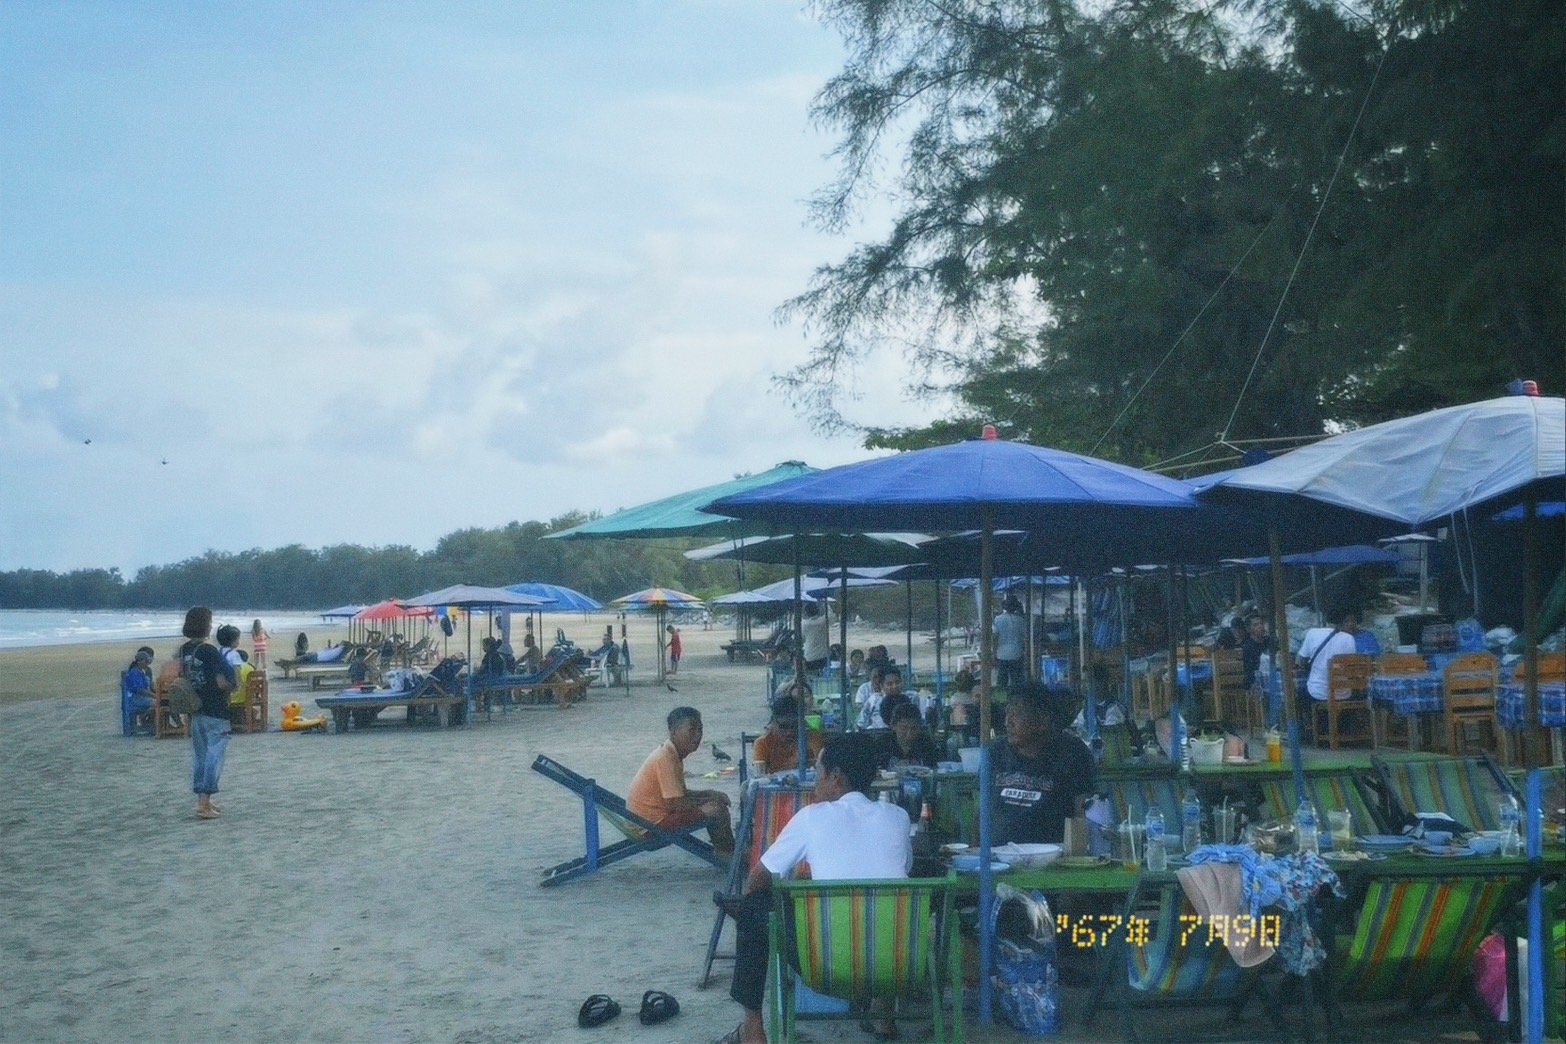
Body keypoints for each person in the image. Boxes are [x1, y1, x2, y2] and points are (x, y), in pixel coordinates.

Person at [717, 733, 911, 1044]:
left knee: (753, 907)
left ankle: (752, 1029)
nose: (814, 782)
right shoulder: (898, 818)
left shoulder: (811, 817)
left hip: (825, 962)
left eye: (817, 773)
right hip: (896, 961)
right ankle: (883, 1012)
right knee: (883, 909)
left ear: (836, 778)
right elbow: (891, 873)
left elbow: (757, 879)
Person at [988, 684, 1096, 844]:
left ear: (1043, 721)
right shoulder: (996, 752)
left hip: (1054, 856)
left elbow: (1083, 810)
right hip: (1000, 857)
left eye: (1017, 714)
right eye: (1007, 713)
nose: (1007, 722)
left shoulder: (1072, 752)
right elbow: (983, 810)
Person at [627, 707, 735, 854]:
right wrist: (707, 804)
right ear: (673, 731)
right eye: (692, 730)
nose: (698, 736)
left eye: (700, 730)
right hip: (649, 827)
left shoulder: (670, 753)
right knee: (717, 810)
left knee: (714, 803)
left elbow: (679, 795)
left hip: (646, 820)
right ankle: (728, 855)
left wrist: (711, 794)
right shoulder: (666, 759)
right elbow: (677, 804)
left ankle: (726, 851)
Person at [179, 607, 236, 820]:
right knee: (215, 756)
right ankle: (204, 803)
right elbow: (225, 680)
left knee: (201, 757)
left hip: (196, 709)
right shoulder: (210, 651)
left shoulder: (185, 650)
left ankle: (203, 799)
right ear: (205, 625)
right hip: (215, 709)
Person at [1295, 607, 1360, 716]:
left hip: (1317, 692)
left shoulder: (1312, 633)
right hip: (1343, 694)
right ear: (1342, 621)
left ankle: (1310, 729)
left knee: (1299, 694)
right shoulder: (1349, 638)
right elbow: (1351, 668)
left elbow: (1301, 662)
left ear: (1324, 619)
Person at [751, 694, 826, 773]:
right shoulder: (763, 742)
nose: (789, 732)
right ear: (773, 724)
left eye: (794, 726)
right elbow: (760, 775)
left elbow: (822, 770)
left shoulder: (812, 737)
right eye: (783, 727)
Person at [882, 702, 940, 770]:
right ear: (893, 726)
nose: (909, 733)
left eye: (914, 728)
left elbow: (933, 769)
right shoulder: (882, 745)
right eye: (904, 728)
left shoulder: (926, 744)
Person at [993, 596, 1028, 691]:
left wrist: (993, 654)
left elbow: (995, 637)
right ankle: (1016, 699)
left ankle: (1001, 700)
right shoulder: (1021, 620)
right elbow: (1025, 637)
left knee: (1001, 681)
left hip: (1002, 654)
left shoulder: (997, 619)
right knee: (1017, 681)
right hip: (1017, 653)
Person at [857, 665, 908, 730]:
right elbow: (861, 724)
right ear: (882, 686)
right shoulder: (873, 700)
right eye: (889, 684)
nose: (894, 686)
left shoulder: (910, 698)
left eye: (897, 682)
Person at [1240, 614, 1275, 688]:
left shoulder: (1270, 642)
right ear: (1248, 629)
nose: (1260, 626)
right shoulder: (1247, 647)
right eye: (1255, 625)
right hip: (1256, 682)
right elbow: (1250, 671)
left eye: (1261, 623)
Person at [124, 647, 156, 720]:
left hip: (141, 698)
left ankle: (150, 722)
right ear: (139, 662)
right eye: (146, 661)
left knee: (159, 702)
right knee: (157, 703)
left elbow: (148, 686)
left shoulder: (141, 671)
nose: (147, 663)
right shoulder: (134, 672)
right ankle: (144, 717)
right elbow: (139, 690)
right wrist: (154, 695)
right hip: (135, 699)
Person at [800, 601, 830, 673]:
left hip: (809, 655)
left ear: (806, 613)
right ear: (818, 611)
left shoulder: (804, 624)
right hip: (823, 655)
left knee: (811, 677)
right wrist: (825, 604)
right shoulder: (823, 621)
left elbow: (802, 638)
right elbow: (831, 616)